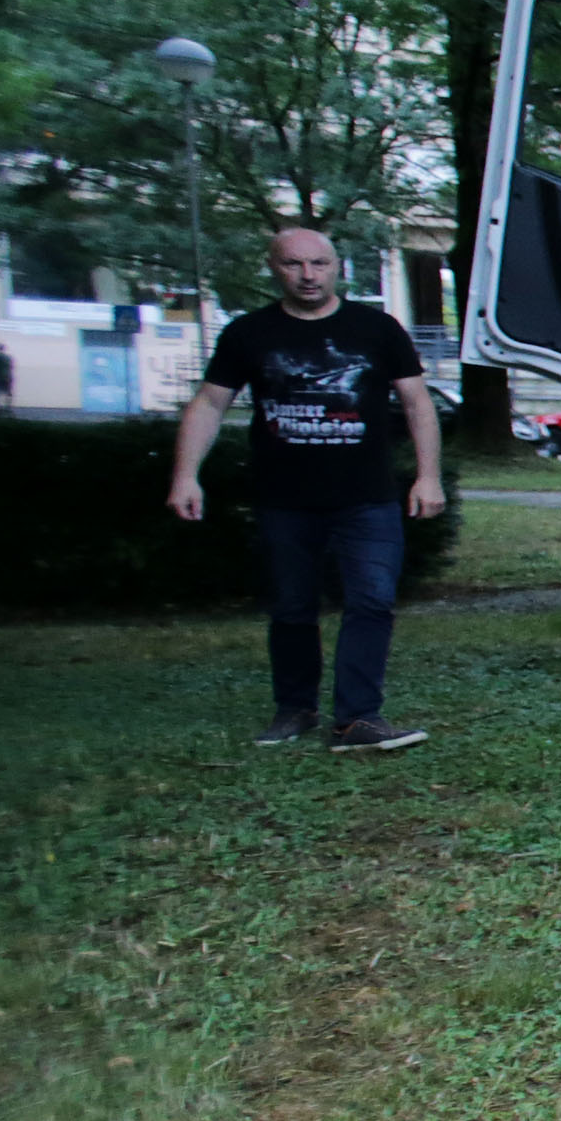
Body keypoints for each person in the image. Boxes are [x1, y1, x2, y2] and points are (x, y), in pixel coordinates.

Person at [168, 226, 445, 751]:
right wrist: (186, 474)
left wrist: (427, 475)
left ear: (337, 267)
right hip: (284, 498)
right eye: (294, 264)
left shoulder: (377, 328)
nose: (308, 275)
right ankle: (294, 709)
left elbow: (417, 403)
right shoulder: (248, 334)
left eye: (318, 264)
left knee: (373, 603)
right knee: (292, 607)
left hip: (367, 497)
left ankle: (356, 719)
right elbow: (209, 404)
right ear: (274, 268)